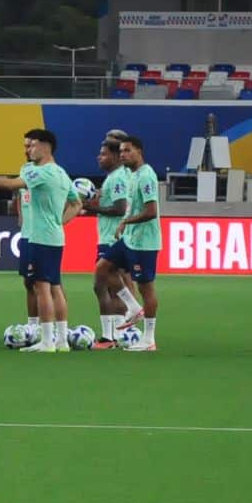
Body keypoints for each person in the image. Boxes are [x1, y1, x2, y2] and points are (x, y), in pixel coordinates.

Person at [0, 128, 80, 354]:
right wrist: (59, 222)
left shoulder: (41, 172)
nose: (29, 150)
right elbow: (77, 203)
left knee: (41, 287)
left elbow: (9, 185)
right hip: (53, 236)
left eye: (33, 146)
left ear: (45, 146)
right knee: (55, 286)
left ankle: (47, 341)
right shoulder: (61, 173)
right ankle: (61, 340)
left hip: (39, 237)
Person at [82, 137, 144, 347]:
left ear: (116, 156)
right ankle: (115, 335)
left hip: (112, 238)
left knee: (103, 284)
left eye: (104, 154)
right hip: (112, 237)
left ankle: (118, 327)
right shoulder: (116, 177)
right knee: (106, 286)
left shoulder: (117, 178)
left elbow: (119, 208)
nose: (99, 157)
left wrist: (90, 207)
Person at [114, 134, 162, 352]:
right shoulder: (131, 174)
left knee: (146, 288)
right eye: (121, 151)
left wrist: (126, 221)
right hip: (130, 239)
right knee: (102, 269)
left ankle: (149, 339)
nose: (123, 155)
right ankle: (133, 307)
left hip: (144, 242)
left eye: (127, 150)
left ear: (139, 152)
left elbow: (151, 211)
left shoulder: (146, 176)